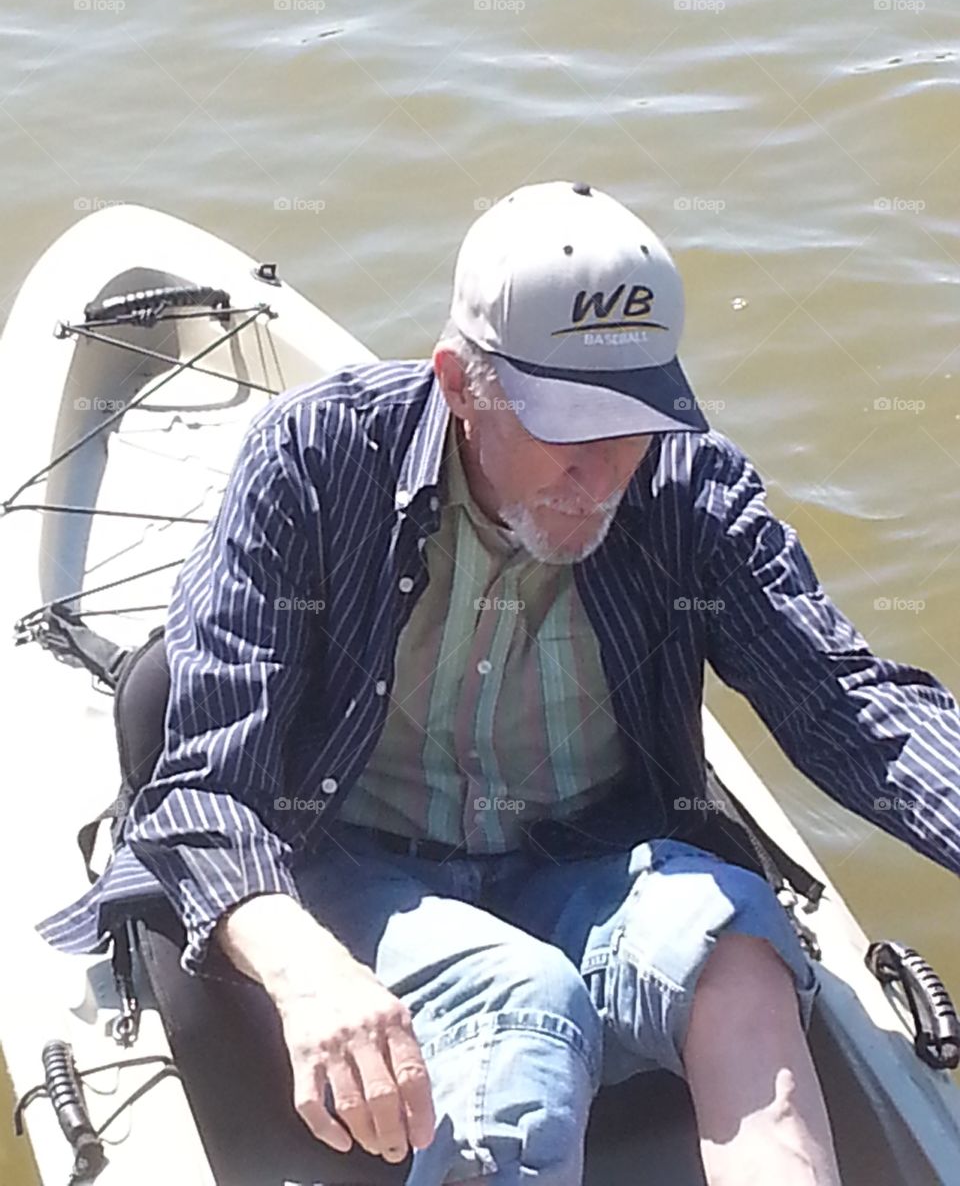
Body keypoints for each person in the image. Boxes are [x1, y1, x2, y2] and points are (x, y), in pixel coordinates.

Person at [39, 181, 960, 1186]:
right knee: (519, 995)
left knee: (738, 949)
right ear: (458, 383)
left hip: (589, 862)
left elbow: (849, 705)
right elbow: (204, 788)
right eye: (568, 427)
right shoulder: (312, 462)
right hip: (348, 870)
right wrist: (306, 973)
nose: (605, 474)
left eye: (636, 420)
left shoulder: (686, 486)